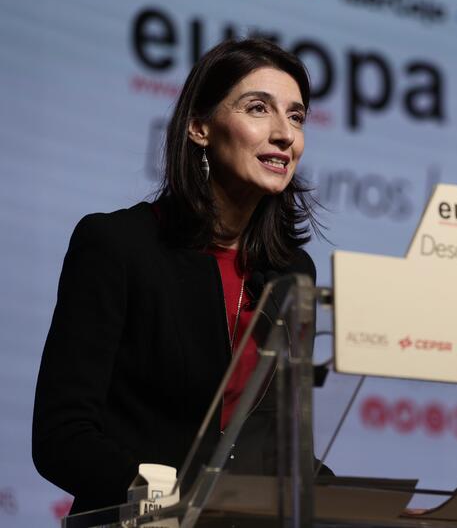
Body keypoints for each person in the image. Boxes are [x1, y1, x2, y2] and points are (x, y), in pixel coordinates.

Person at [32, 38, 321, 515]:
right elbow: (62, 437)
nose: (284, 134)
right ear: (199, 128)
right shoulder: (117, 244)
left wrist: (373, 507)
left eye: (296, 117)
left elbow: (282, 449)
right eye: (258, 109)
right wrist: (171, 499)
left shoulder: (291, 271)